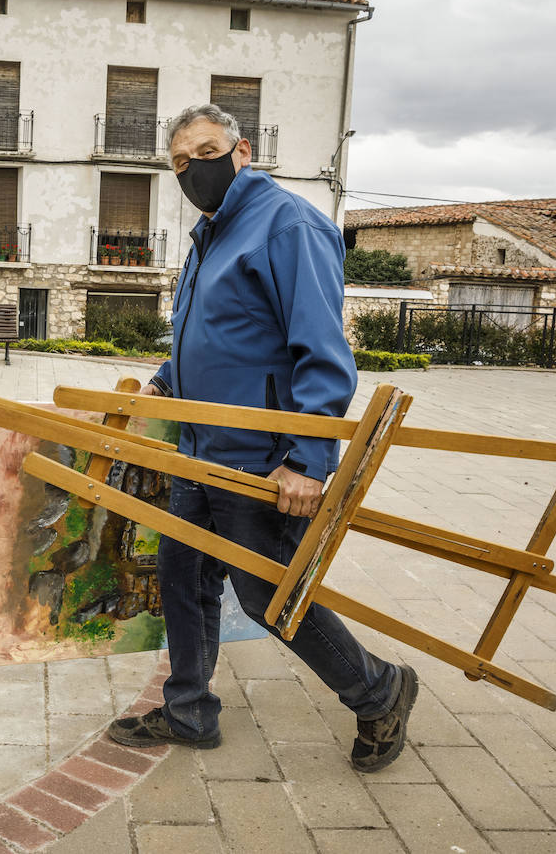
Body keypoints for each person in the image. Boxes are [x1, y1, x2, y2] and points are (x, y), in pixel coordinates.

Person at [106, 104, 417, 772]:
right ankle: (188, 711)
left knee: (269, 595)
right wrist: (164, 379)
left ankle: (380, 689)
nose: (194, 169)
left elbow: (324, 352)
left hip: (259, 455)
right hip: (197, 448)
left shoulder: (287, 224)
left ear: (242, 150)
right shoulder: (209, 234)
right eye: (181, 162)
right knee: (182, 577)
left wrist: (308, 461)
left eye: (207, 151)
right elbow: (210, 330)